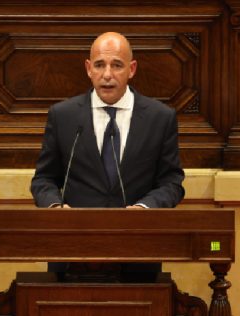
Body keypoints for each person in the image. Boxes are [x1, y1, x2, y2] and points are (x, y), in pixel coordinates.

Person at [30, 32, 185, 209]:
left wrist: (144, 207)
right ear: (89, 68)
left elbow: (171, 182)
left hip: (138, 230)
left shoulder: (160, 118)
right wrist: (55, 206)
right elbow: (44, 179)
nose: (107, 74)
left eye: (117, 65)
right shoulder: (63, 116)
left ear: (131, 69)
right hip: (78, 229)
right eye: (99, 65)